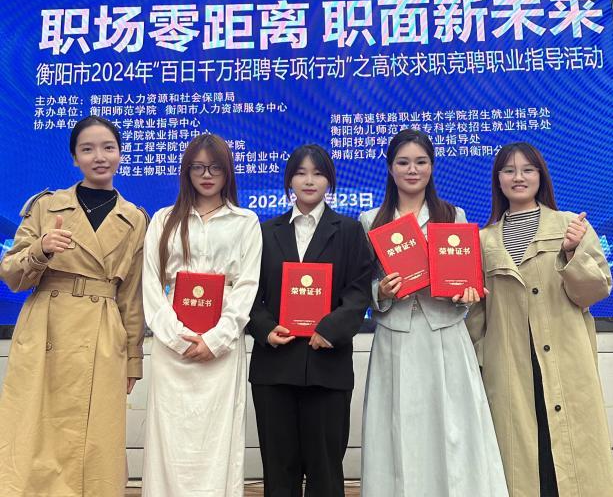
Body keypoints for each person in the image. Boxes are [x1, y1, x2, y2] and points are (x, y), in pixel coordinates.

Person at [0, 116, 147, 497]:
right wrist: (41, 249)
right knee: (34, 435)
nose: (99, 157)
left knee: (96, 439)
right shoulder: (47, 206)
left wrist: (134, 359)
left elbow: (131, 296)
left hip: (102, 334)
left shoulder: (134, 219)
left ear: (120, 154)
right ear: (74, 158)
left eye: (108, 148)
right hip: (47, 328)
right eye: (88, 149)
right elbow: (11, 274)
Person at [359, 129, 508, 497]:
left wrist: (466, 294)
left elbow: (465, 282)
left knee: (453, 429)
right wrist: (380, 292)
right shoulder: (370, 220)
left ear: (432, 166)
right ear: (390, 168)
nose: (412, 170)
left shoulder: (452, 215)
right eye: (403, 162)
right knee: (397, 429)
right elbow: (359, 286)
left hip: (444, 334)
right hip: (396, 336)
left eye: (421, 162)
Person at [466, 141, 613, 497]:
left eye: (527, 169)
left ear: (540, 176)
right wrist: (482, 361)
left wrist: (572, 253)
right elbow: (477, 318)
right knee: (524, 465)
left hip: (565, 362)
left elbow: (595, 290)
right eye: (509, 170)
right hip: (509, 368)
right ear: (498, 179)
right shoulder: (482, 241)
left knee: (571, 460)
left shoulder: (570, 226)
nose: (518, 177)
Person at [141, 133, 262, 497]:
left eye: (215, 168)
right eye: (198, 167)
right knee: (169, 437)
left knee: (218, 439)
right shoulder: (163, 220)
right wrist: (177, 338)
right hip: (171, 349)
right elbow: (151, 285)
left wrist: (216, 340)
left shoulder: (245, 221)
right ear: (186, 171)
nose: (206, 175)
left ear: (228, 172)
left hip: (221, 350)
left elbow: (247, 286)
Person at [248, 144, 372, 497]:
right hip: (275, 367)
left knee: (325, 471)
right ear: (289, 180)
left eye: (318, 173)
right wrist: (265, 329)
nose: (309, 180)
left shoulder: (348, 230)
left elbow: (359, 291)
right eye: (301, 173)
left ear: (329, 181)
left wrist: (329, 329)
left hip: (327, 367)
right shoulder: (264, 231)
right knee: (278, 472)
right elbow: (248, 293)